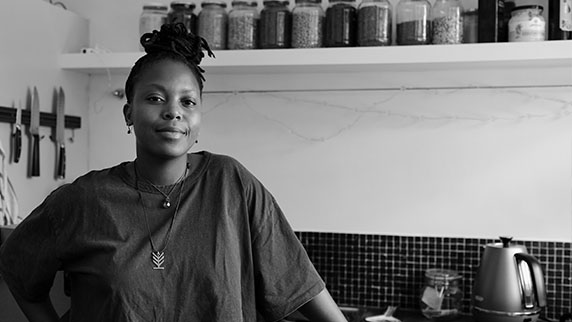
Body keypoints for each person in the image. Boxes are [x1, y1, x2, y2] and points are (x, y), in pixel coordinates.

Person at [0, 23, 348, 322]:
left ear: (198, 116)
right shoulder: (84, 199)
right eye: (154, 98)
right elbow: (16, 267)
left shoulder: (231, 184)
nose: (173, 112)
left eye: (187, 101)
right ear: (128, 112)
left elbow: (300, 286)